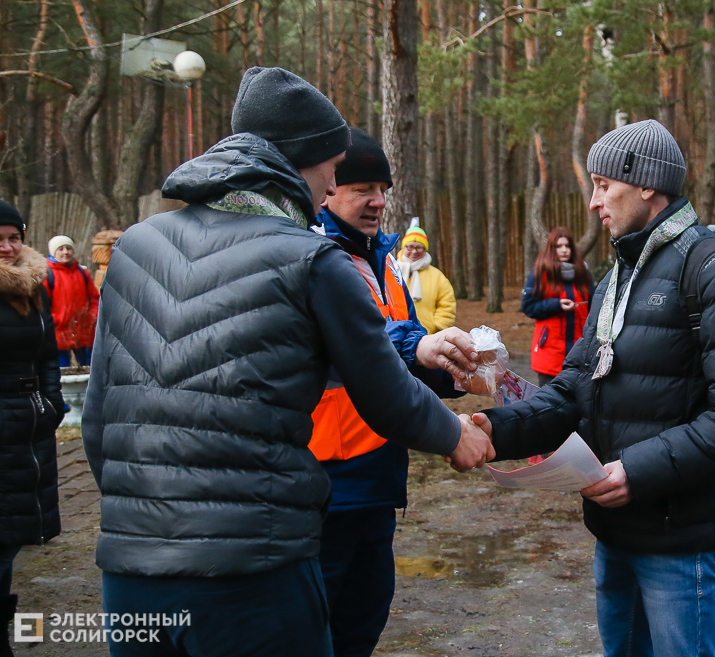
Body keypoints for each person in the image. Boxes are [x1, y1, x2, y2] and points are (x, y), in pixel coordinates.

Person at [81, 67, 493, 657]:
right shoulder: (311, 259)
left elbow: (99, 414)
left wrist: (149, 517)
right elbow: (384, 393)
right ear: (303, 159)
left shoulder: (137, 246)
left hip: (131, 573)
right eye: (332, 166)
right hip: (252, 570)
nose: (331, 188)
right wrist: (454, 433)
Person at [469, 119, 715, 657]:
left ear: (646, 185)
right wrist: (491, 430)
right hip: (615, 529)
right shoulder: (618, 276)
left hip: (682, 540)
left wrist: (638, 470)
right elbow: (574, 389)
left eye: (603, 184)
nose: (593, 202)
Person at [308, 127, 472, 657]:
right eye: (363, 188)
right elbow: (370, 341)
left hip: (378, 470)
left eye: (384, 188)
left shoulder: (387, 262)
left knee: (366, 612)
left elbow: (403, 349)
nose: (379, 201)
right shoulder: (313, 256)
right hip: (324, 474)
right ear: (328, 186)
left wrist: (454, 370)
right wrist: (420, 350)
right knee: (317, 621)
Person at [0, 202, 64, 657]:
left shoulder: (35, 286)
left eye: (14, 237)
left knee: (11, 538)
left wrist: (53, 400)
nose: (7, 247)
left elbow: (48, 351)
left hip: (29, 426)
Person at [521, 227, 595, 389]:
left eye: (567, 246)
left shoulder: (583, 274)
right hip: (550, 354)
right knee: (550, 405)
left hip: (580, 351)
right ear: (551, 249)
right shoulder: (539, 274)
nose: (564, 250)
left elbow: (594, 308)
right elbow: (528, 307)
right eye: (559, 246)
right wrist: (556, 305)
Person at [43, 235, 99, 368]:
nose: (65, 252)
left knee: (90, 370)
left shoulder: (82, 273)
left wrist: (92, 316)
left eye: (68, 248)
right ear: (53, 252)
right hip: (59, 331)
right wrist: (56, 319)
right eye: (60, 249)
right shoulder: (47, 274)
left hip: (84, 330)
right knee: (61, 371)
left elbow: (94, 298)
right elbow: (42, 304)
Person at [396, 226, 456, 334]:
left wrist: (436, 327)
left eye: (419, 247)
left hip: (427, 336)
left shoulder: (437, 276)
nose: (414, 251)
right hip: (395, 335)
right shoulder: (392, 270)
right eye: (410, 247)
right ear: (403, 248)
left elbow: (447, 305)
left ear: (425, 249)